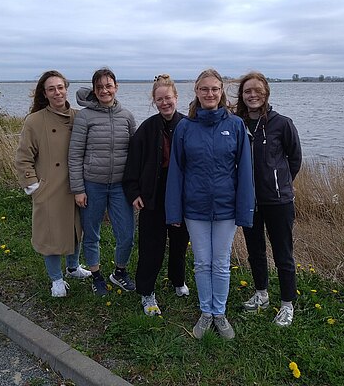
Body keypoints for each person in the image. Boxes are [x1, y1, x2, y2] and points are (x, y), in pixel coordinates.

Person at [166, 68, 254, 339]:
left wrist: (245, 211)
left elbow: (245, 172)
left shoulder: (236, 125)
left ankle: (220, 313)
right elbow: (176, 171)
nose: (210, 93)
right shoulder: (185, 127)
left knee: (221, 262)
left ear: (222, 91)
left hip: (226, 208)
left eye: (215, 89)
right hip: (195, 208)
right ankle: (206, 313)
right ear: (196, 91)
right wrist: (174, 211)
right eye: (204, 89)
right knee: (203, 263)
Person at [15, 70, 92, 298]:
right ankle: (56, 279)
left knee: (76, 230)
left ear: (66, 88)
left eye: (60, 87)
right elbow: (23, 157)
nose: (57, 92)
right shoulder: (35, 121)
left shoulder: (79, 117)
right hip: (50, 189)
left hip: (77, 186)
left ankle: (73, 267)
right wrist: (34, 185)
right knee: (50, 235)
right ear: (45, 94)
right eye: (51, 89)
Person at [235, 71, 302, 327]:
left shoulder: (282, 123)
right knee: (255, 251)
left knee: (283, 253)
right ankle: (261, 294)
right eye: (247, 91)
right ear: (242, 96)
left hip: (278, 201)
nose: (252, 95)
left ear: (266, 93)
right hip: (249, 201)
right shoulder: (237, 124)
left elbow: (294, 159)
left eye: (257, 90)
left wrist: (280, 183)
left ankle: (287, 304)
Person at [123, 74, 190, 316]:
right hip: (152, 194)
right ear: (154, 101)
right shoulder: (147, 128)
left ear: (176, 98)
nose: (165, 103)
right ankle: (146, 291)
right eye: (159, 99)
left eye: (168, 98)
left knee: (180, 241)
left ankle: (177, 280)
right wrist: (134, 193)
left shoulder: (187, 125)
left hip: (180, 195)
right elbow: (133, 164)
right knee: (151, 245)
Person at [68, 67, 137, 296]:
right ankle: (96, 276)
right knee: (92, 232)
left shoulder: (126, 116)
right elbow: (75, 155)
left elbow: (136, 151)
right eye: (100, 87)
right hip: (92, 185)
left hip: (120, 186)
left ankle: (119, 273)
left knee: (126, 234)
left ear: (116, 87)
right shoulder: (85, 117)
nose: (105, 90)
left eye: (109, 86)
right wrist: (78, 189)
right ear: (94, 91)